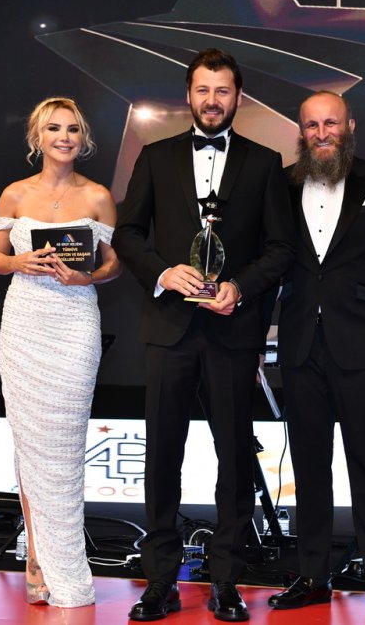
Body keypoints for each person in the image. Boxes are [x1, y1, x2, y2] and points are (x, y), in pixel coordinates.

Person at [112, 48, 294, 622]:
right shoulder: (155, 156)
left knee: (234, 459)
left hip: (232, 331)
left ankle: (227, 582)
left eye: (222, 91)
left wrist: (240, 286)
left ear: (238, 97)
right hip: (169, 329)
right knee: (162, 457)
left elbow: (281, 249)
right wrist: (163, 273)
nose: (212, 101)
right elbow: (127, 235)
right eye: (203, 90)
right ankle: (160, 582)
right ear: (188, 95)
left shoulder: (265, 163)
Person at [267, 91, 365, 617]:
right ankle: (312, 576)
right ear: (301, 131)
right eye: (312, 125)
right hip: (299, 344)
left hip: (361, 341)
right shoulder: (280, 186)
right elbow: (267, 263)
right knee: (309, 466)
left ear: (350, 126)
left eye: (330, 123)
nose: (321, 133)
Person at [0, 97, 120, 607]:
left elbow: (113, 265)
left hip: (75, 324)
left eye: (72, 129)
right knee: (29, 442)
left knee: (62, 444)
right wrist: (20, 261)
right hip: (25, 322)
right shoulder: (15, 193)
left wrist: (90, 276)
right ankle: (36, 560)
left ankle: (63, 564)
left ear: (83, 139)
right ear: (37, 138)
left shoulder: (99, 196)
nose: (63, 137)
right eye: (53, 129)